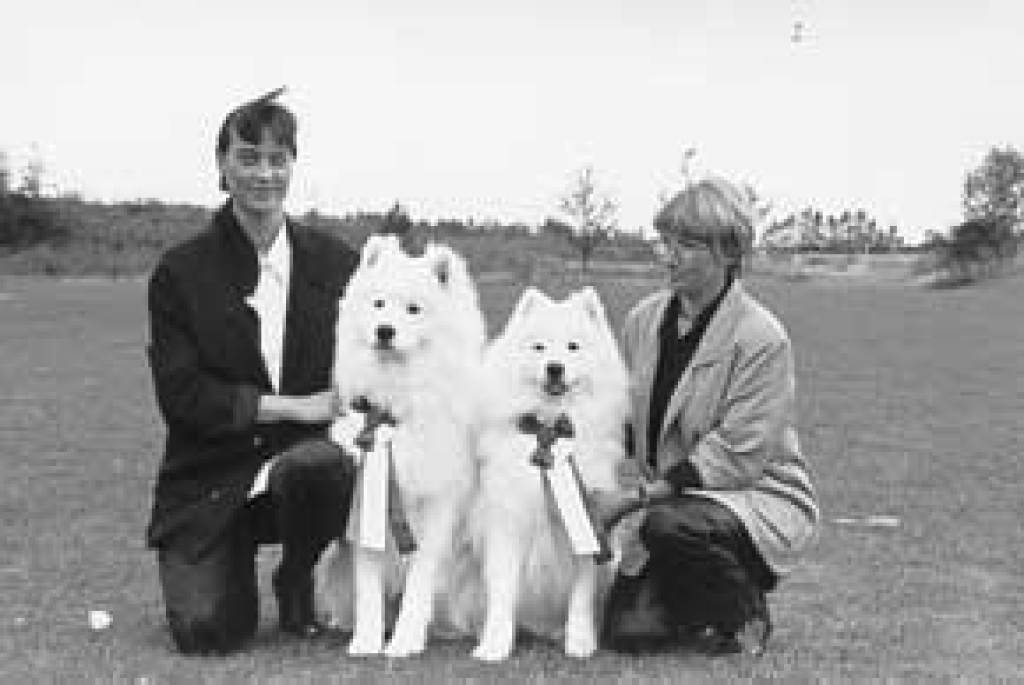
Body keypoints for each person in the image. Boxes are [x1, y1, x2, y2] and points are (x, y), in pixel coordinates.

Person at [145, 89, 360, 654]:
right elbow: (183, 396)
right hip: (212, 474)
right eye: (248, 158)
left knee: (320, 465)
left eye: (277, 159)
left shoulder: (340, 265)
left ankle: (297, 575)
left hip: (304, 466)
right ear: (222, 165)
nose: (264, 174)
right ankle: (227, 552)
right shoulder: (178, 273)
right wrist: (294, 406)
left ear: (293, 165)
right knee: (205, 632)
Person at [605, 177, 818, 656]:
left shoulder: (762, 338)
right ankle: (689, 603)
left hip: (750, 497)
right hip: (675, 502)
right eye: (665, 242)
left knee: (669, 526)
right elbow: (626, 419)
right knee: (627, 635)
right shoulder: (642, 321)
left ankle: (744, 612)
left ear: (728, 252)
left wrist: (631, 501)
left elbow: (737, 455)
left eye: (686, 245)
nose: (668, 256)